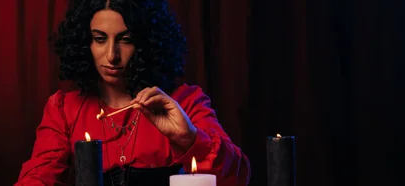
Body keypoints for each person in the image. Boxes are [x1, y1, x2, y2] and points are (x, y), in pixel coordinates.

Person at [15, 0, 250, 185]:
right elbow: (38, 177)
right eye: (99, 39)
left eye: (125, 40)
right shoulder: (64, 108)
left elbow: (237, 178)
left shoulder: (184, 102)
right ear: (83, 43)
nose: (111, 56)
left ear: (146, 42)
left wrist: (188, 137)